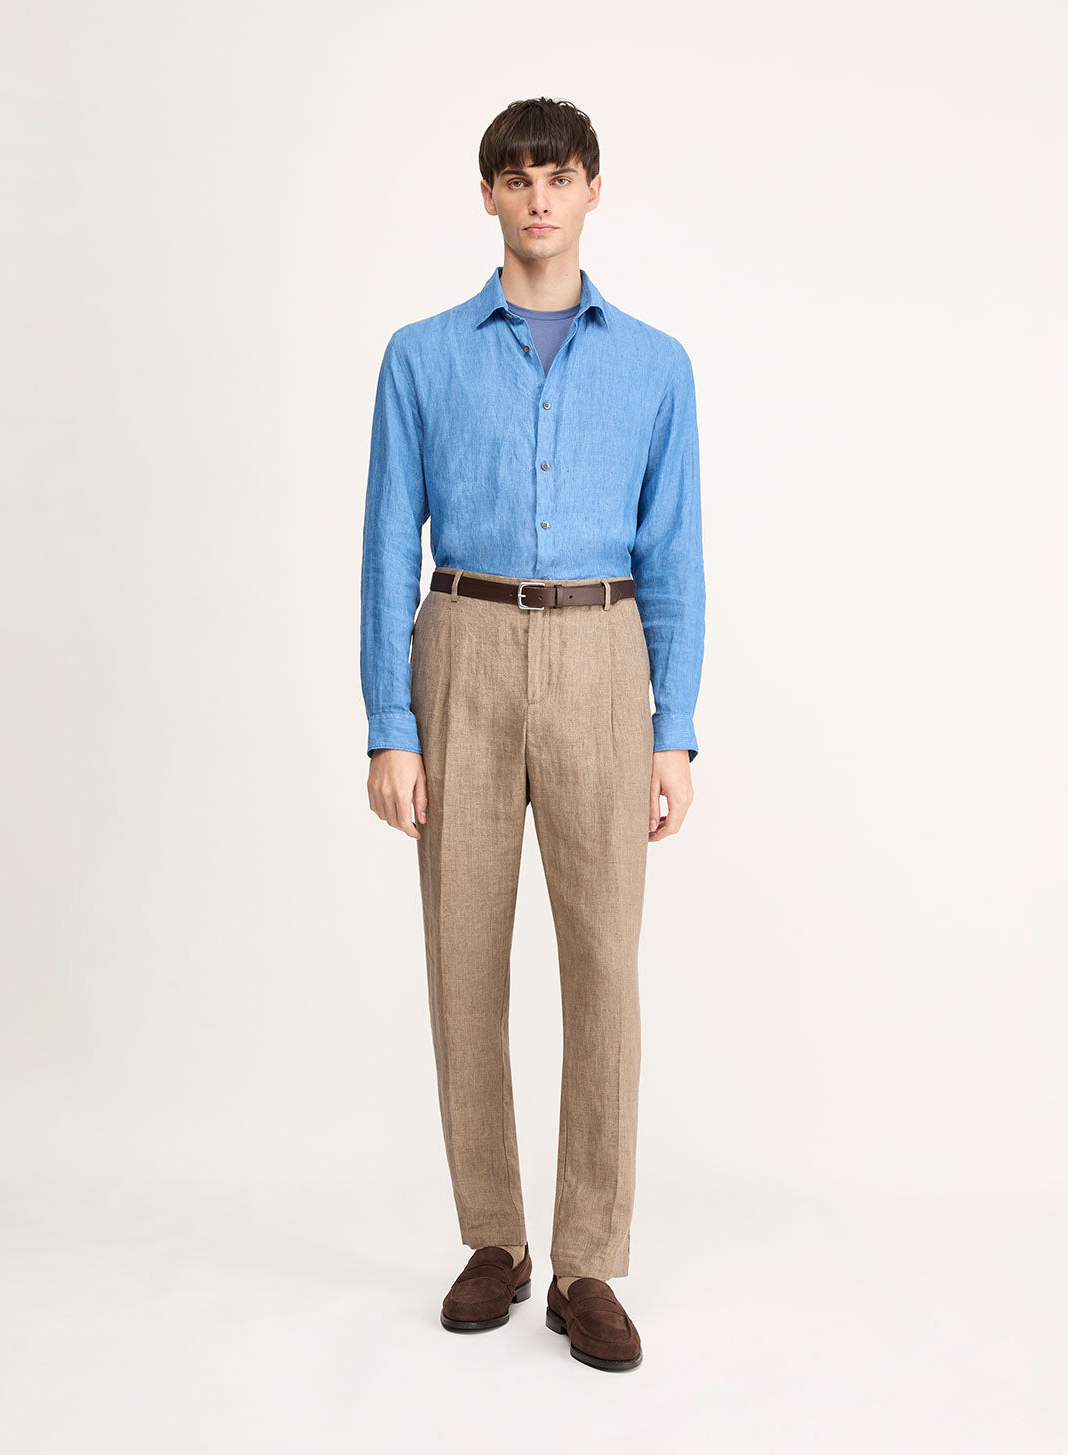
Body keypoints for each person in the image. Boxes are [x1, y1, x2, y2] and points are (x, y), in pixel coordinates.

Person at [359, 96, 705, 1372]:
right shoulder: (419, 357)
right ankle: (495, 1240)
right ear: (489, 197)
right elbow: (385, 545)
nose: (538, 197)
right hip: (460, 646)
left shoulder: (655, 365)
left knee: (602, 962)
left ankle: (585, 1261)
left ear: (591, 190)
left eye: (557, 175)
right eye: (516, 177)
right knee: (463, 956)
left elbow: (675, 552)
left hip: (602, 655)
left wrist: (674, 731)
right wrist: (389, 724)